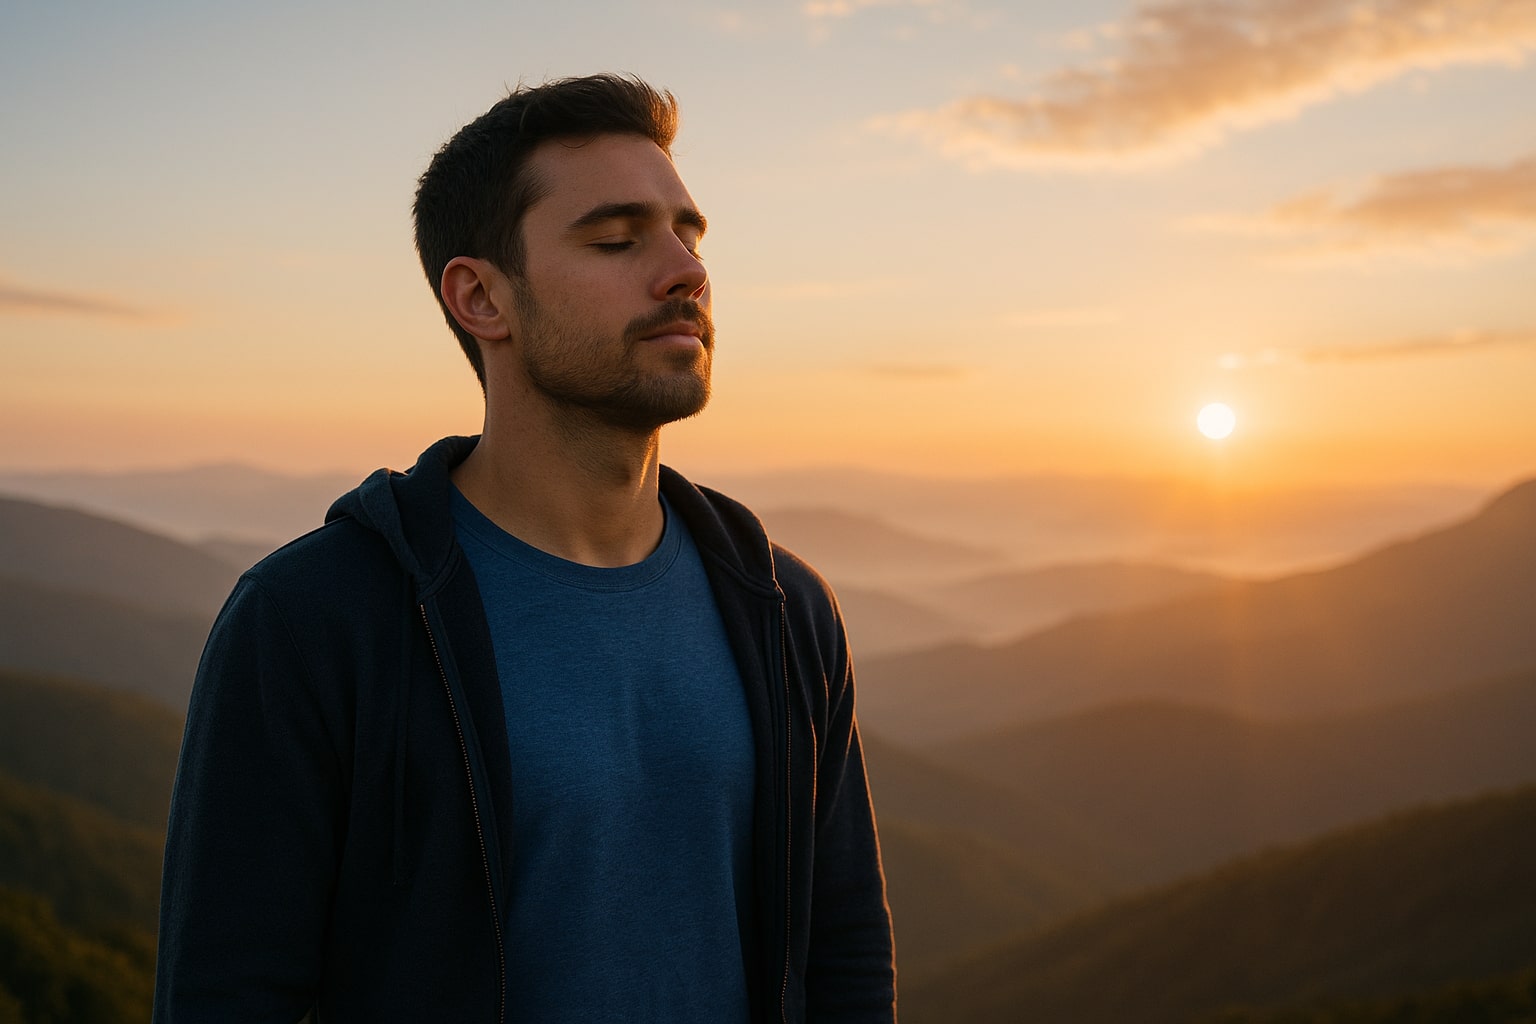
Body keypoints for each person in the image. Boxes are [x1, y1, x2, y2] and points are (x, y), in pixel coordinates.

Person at [153, 73, 897, 1023]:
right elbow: (227, 993)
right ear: (481, 299)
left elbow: (843, 957)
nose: (685, 272)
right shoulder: (315, 618)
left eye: (689, 234)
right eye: (619, 240)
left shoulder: (784, 605)